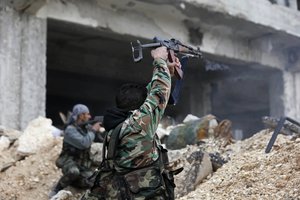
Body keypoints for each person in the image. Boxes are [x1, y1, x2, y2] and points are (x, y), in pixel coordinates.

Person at [81, 46, 182, 200]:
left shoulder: (119, 122)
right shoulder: (138, 125)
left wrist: (166, 71)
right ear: (138, 108)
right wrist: (159, 60)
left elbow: (151, 96)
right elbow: (159, 93)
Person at [49, 104, 102, 197]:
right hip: (69, 162)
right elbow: (84, 143)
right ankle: (57, 188)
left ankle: (74, 181)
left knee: (94, 180)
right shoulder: (70, 130)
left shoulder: (86, 128)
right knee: (74, 172)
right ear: (81, 116)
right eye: (87, 114)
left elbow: (98, 139)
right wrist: (93, 130)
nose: (90, 116)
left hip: (82, 164)